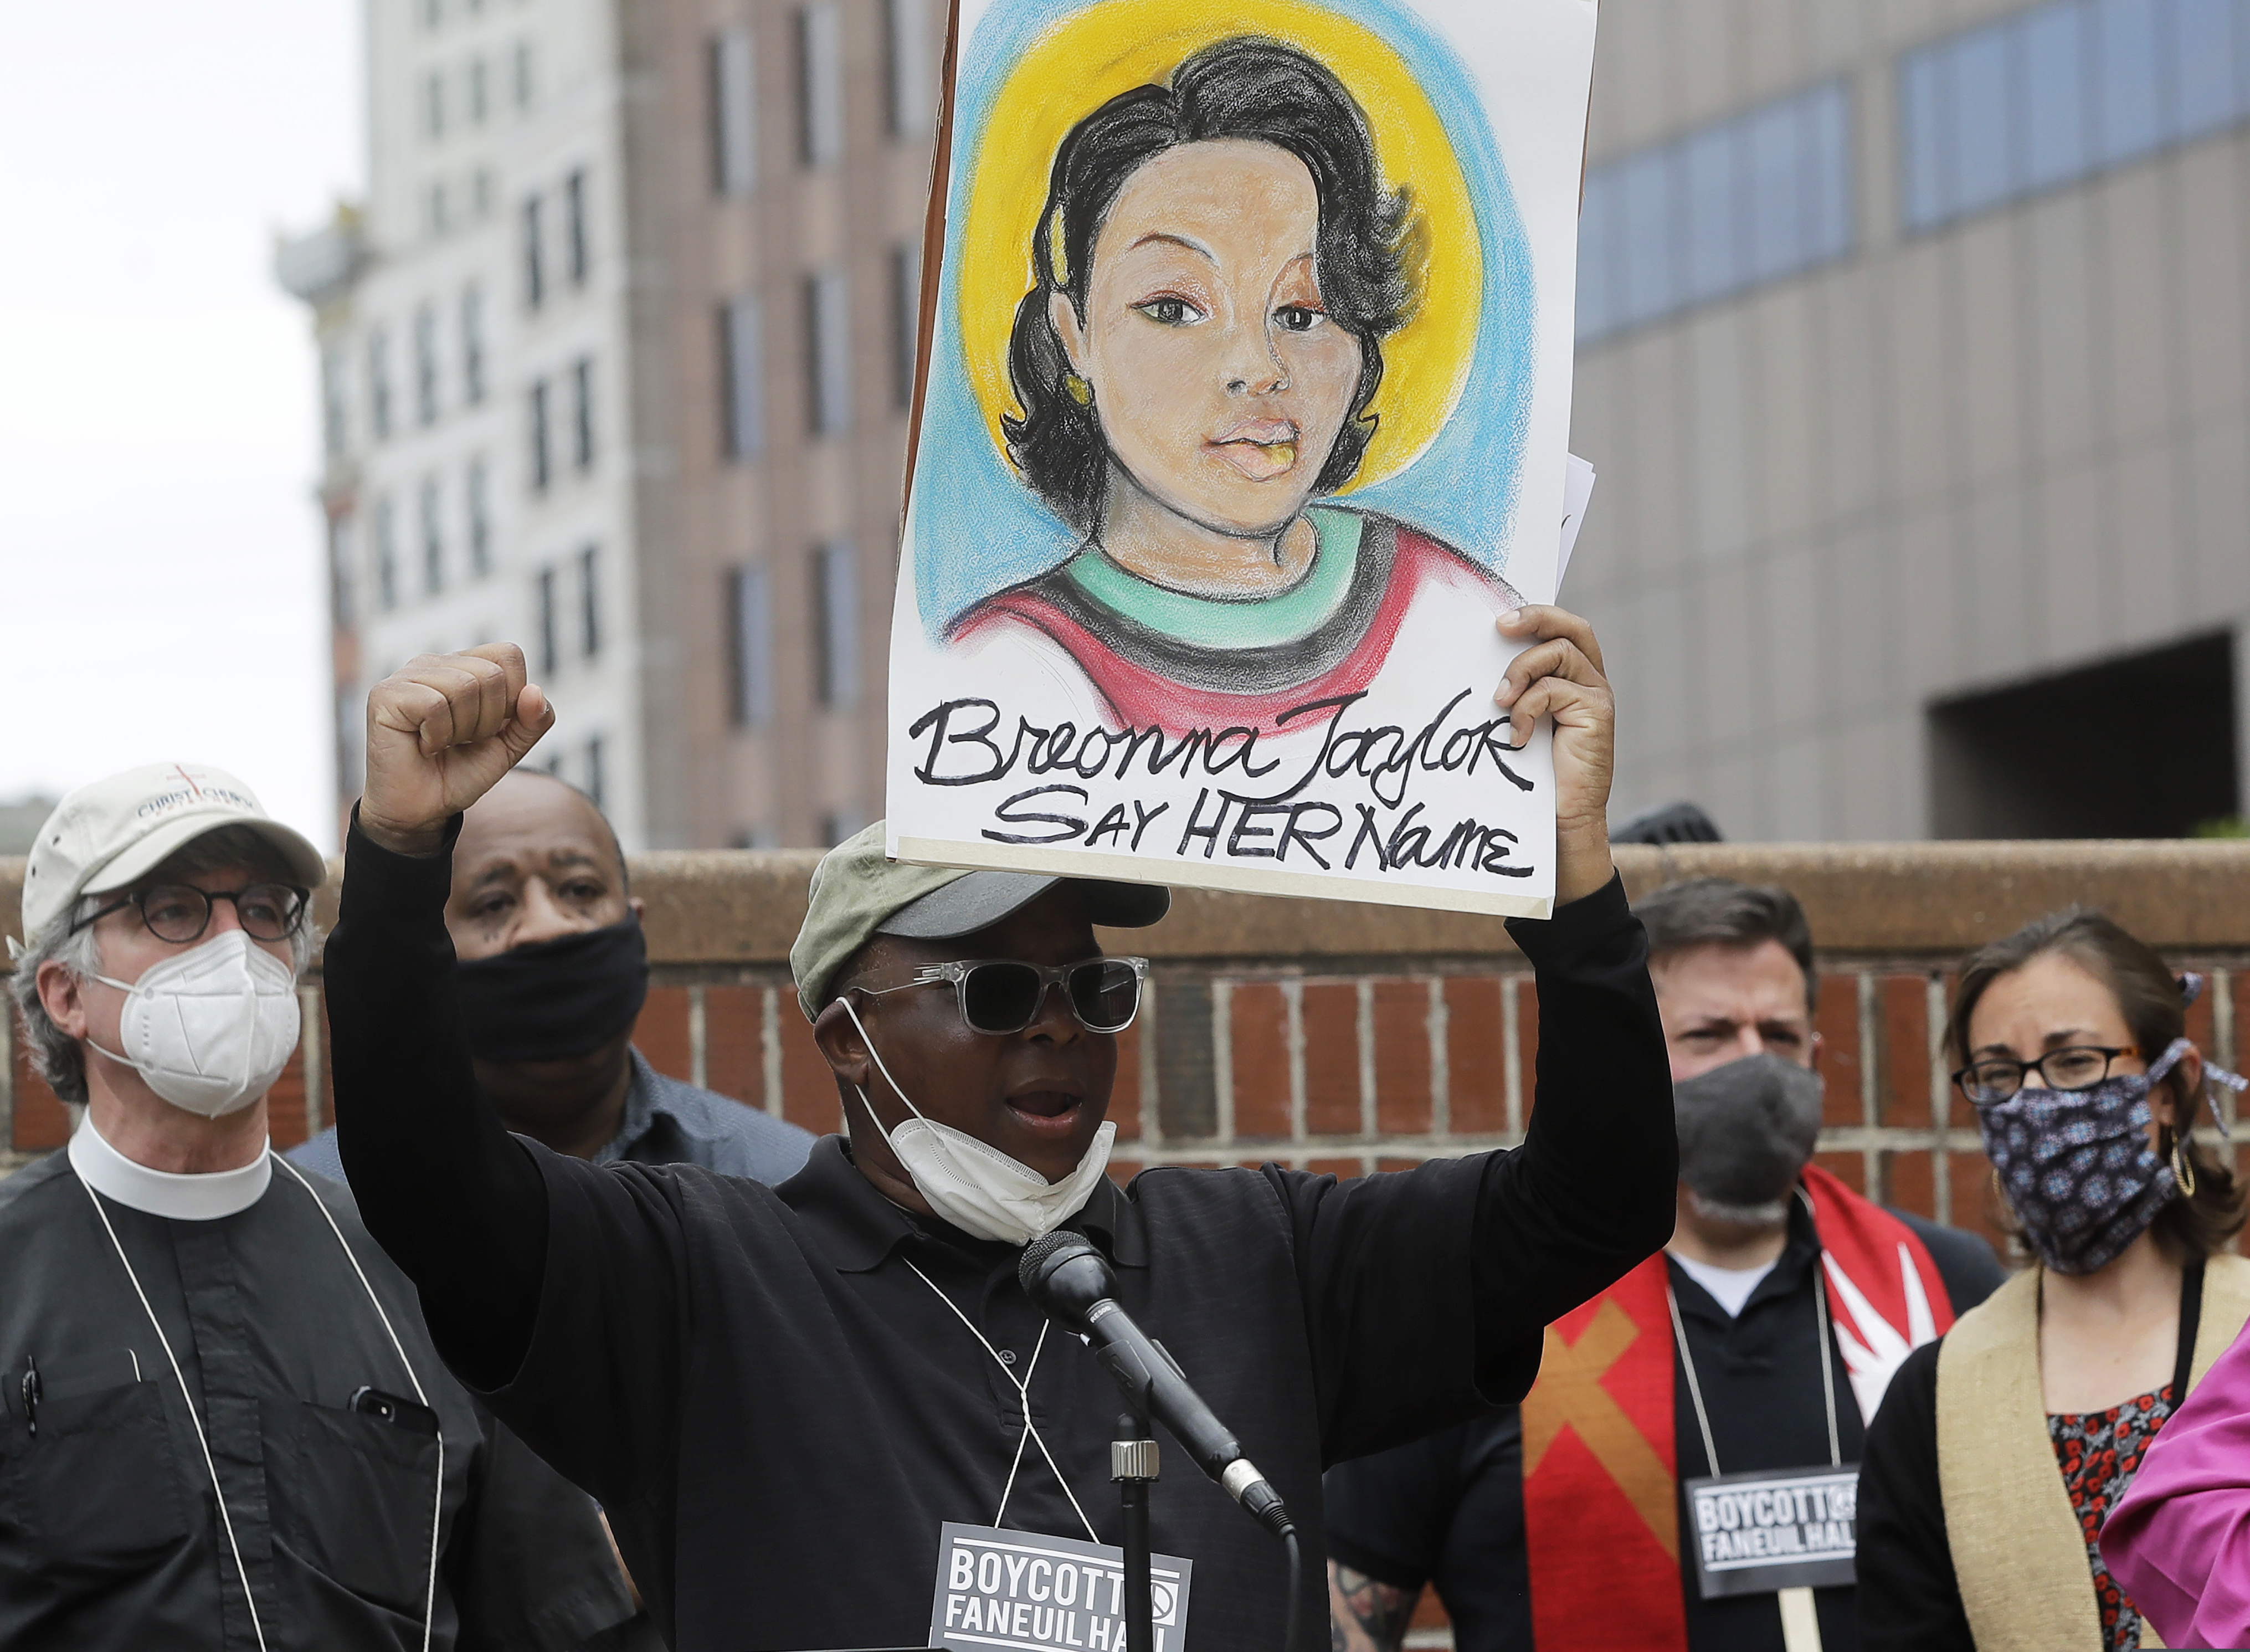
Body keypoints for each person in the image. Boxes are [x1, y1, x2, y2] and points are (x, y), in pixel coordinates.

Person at [320, 604, 1669, 1652]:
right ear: (847, 1032)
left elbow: (1593, 1204)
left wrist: (1569, 886)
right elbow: (427, 1180)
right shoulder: (695, 1278)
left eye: (1091, 985)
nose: (1059, 1024)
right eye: (997, 989)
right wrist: (394, 866)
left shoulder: (1254, 1252)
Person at [0, 762, 639, 1650]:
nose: (235, 946)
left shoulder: (421, 1270)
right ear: (65, 991)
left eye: (263, 910)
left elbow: (561, 1615)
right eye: (175, 911)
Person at [1324, 876, 2006, 1652]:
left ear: (1816, 1057)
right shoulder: (1495, 1307)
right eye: (1710, 1035)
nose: (1754, 1066)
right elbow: (1335, 1611)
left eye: (1778, 1036)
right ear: (1633, 1064)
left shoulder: (1943, 1283)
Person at [948, 38, 1519, 737]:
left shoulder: (1454, 615)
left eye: (1303, 314)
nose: (1260, 366)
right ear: (1074, 334)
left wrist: (1572, 830)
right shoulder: (1002, 680)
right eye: (1173, 309)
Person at [1855, 908, 2250, 1652]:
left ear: (2170, 1088)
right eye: (2000, 1074)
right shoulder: (1932, 1397)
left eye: (2074, 1063)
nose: (2036, 1102)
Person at [291, 768, 811, 1184]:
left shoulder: (786, 1185)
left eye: (580, 890)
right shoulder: (326, 1209)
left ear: (637, 926)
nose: (546, 926)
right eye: (494, 903)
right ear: (424, 959)